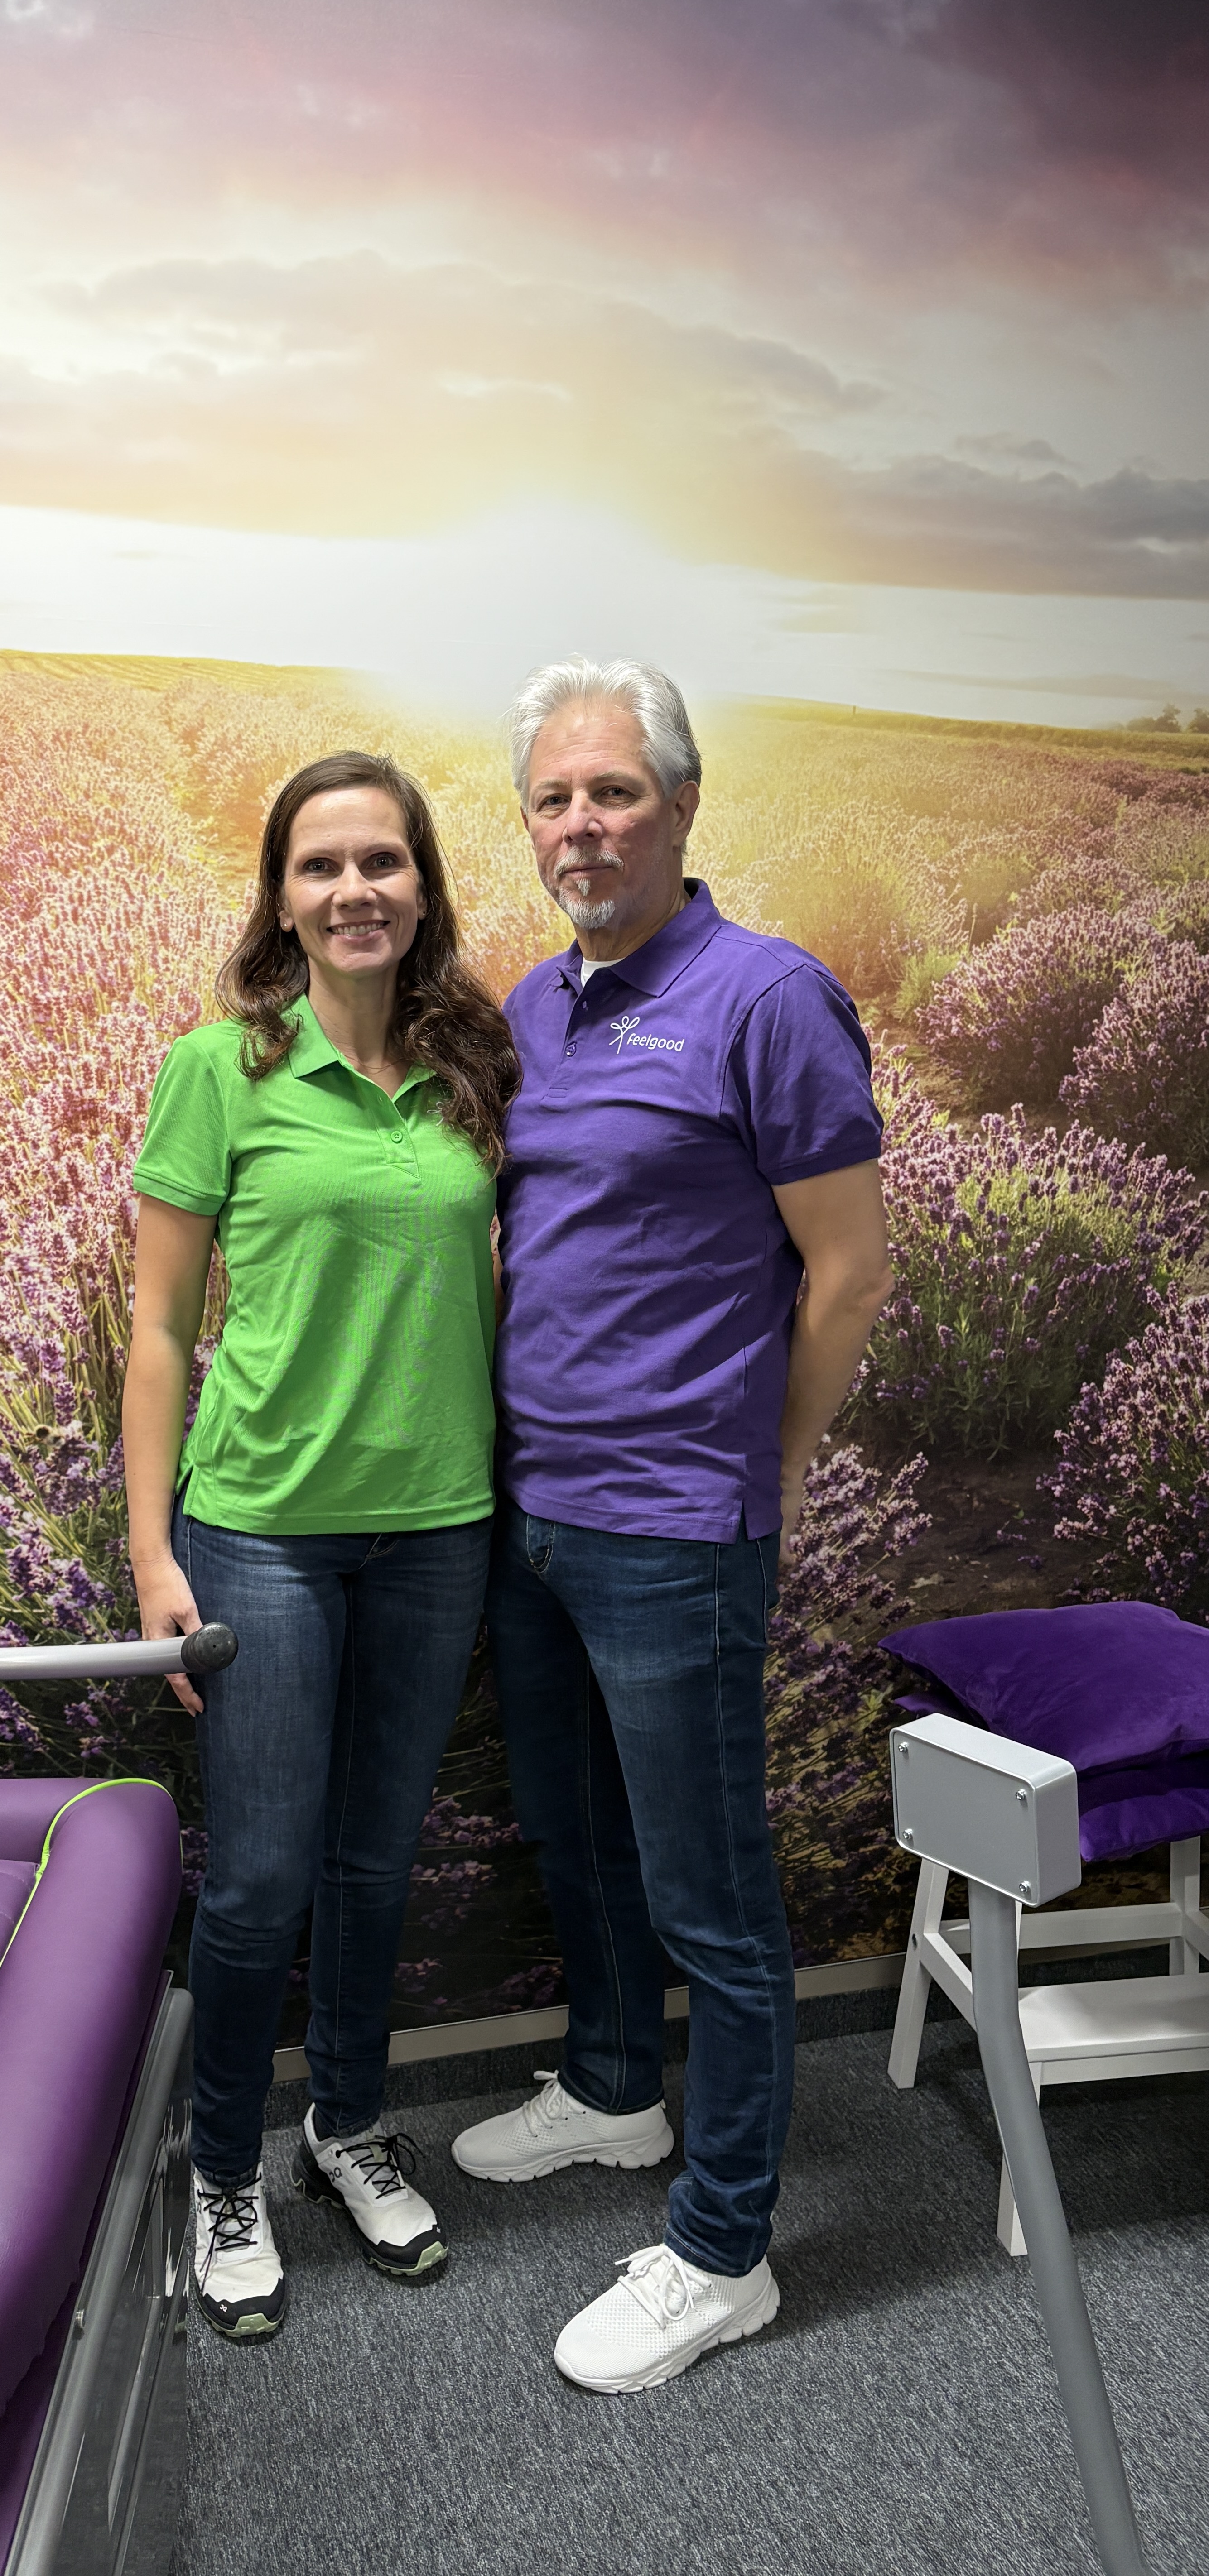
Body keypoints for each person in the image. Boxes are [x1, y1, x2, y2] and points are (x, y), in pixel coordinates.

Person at [451, 660, 893, 2394]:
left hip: (673, 1525)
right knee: (579, 1840)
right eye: (555, 798)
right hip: (538, 1509)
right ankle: (617, 2091)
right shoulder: (533, 1004)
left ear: (685, 804)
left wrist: (767, 1462)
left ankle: (723, 2251)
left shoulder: (770, 999)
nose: (583, 825)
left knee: (712, 1897)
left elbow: (849, 1275)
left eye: (615, 791)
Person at [124, 750, 518, 2343]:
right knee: (262, 1878)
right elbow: (160, 1329)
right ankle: (226, 2169)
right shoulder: (220, 1068)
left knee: (376, 1860)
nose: (355, 890)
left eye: (382, 862)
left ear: (422, 886)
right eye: (321, 866)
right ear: (281, 900)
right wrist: (153, 1556)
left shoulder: (472, 1069)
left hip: (436, 1529)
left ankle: (346, 2127)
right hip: (264, 1532)